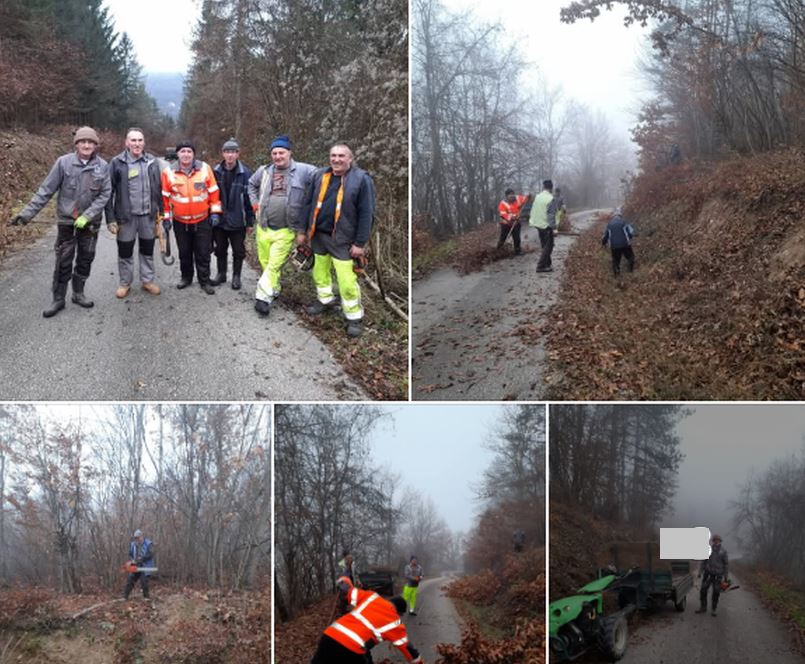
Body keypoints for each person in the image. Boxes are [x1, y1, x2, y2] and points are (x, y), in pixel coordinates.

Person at [10, 126, 111, 317]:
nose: (87, 145)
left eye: (90, 142)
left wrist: (87, 216)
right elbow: (45, 191)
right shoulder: (63, 163)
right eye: (83, 142)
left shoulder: (103, 167)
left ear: (95, 145)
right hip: (66, 222)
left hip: (90, 224)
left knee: (86, 258)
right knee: (63, 260)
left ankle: (78, 293)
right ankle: (58, 298)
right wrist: (26, 214)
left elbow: (105, 194)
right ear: (77, 144)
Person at [304, 143, 375, 338]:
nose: (336, 159)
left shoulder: (361, 179)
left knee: (346, 281)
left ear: (350, 159)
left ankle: (354, 317)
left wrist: (360, 243)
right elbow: (308, 204)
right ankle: (325, 300)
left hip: (343, 239)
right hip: (318, 236)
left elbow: (367, 213)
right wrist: (304, 231)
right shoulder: (320, 175)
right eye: (333, 155)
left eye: (341, 156)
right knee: (320, 273)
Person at [248, 135, 316, 315]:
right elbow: (251, 185)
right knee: (265, 262)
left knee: (274, 264)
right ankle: (274, 288)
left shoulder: (303, 170)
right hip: (263, 227)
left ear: (289, 153)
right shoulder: (264, 171)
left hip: (286, 230)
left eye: (281, 152)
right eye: (274, 153)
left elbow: (324, 177)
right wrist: (255, 204)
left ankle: (262, 298)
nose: (278, 156)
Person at [105, 127, 164, 298]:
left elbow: (158, 189)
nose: (137, 144)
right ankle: (125, 283)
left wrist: (160, 214)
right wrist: (110, 218)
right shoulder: (117, 163)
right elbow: (108, 192)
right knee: (125, 251)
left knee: (147, 250)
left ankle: (147, 281)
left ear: (144, 143)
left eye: (140, 140)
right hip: (126, 218)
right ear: (127, 143)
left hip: (148, 217)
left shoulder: (152, 162)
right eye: (133, 140)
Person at [311, 576, 424, 664]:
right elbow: (408, 649)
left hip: (329, 636)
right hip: (351, 649)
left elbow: (348, 590)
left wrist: (344, 581)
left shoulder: (371, 597)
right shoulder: (395, 622)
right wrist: (419, 662)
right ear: (399, 613)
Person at [161, 140, 222, 294]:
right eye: (183, 151)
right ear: (178, 154)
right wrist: (166, 218)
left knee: (203, 252)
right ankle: (186, 278)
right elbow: (165, 199)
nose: (186, 154)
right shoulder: (168, 172)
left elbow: (214, 193)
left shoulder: (205, 169)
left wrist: (215, 213)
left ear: (193, 154)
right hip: (180, 222)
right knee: (184, 252)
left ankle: (204, 280)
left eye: (189, 151)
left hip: (202, 220)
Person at [212, 138, 255, 290]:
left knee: (238, 251)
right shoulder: (215, 172)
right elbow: (210, 196)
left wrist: (250, 222)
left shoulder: (247, 173)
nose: (230, 155)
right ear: (223, 153)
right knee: (220, 249)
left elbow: (250, 200)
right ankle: (221, 274)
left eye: (233, 152)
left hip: (238, 221)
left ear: (238, 154)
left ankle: (236, 277)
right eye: (227, 152)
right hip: (220, 220)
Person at [529, 179, 559, 273]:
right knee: (548, 246)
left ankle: (547, 263)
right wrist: (554, 229)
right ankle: (541, 266)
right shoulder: (551, 199)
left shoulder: (538, 197)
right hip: (546, 226)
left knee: (544, 245)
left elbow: (533, 209)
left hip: (538, 224)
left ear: (544, 187)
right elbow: (551, 215)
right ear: (551, 188)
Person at [697, 533, 729, 616]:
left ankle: (714, 609)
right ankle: (703, 607)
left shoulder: (723, 551)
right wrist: (700, 572)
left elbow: (726, 564)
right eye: (715, 540)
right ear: (713, 541)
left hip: (718, 576)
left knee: (716, 592)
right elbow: (703, 562)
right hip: (708, 574)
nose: (716, 542)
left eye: (718, 540)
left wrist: (726, 577)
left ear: (720, 541)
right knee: (703, 590)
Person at [601, 208, 635, 276]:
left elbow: (605, 236)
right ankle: (630, 270)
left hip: (614, 246)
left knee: (616, 260)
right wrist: (630, 237)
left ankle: (617, 271)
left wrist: (603, 243)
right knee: (631, 257)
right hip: (625, 244)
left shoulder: (609, 224)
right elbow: (630, 232)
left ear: (613, 216)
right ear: (620, 215)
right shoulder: (624, 222)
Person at [124, 528, 155, 600]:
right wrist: (132, 561)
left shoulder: (149, 543)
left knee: (144, 582)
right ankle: (125, 597)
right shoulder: (133, 544)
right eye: (135, 538)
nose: (137, 539)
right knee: (130, 580)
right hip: (136, 566)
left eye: (138, 538)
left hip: (145, 566)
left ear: (142, 536)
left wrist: (141, 559)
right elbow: (130, 554)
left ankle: (146, 598)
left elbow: (150, 554)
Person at [497, 188, 528, 254]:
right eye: (510, 195)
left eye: (512, 194)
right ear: (506, 196)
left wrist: (528, 196)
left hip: (516, 223)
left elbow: (525, 198)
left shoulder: (518, 198)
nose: (512, 196)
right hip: (506, 223)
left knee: (516, 237)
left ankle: (517, 250)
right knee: (503, 237)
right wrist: (512, 218)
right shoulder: (502, 204)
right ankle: (498, 250)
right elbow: (503, 214)